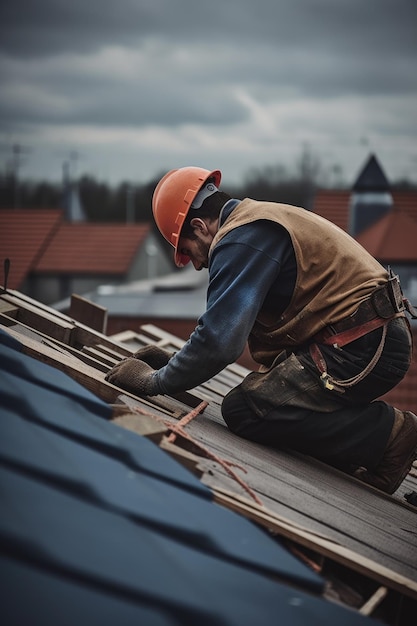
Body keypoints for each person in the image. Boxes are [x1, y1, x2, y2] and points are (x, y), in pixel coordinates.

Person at [106, 166, 417, 494]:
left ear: (198, 226)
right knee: (266, 393)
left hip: (364, 343)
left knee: (246, 409)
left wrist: (154, 381)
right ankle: (372, 455)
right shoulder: (254, 222)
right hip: (362, 339)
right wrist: (175, 360)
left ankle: (392, 435)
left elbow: (220, 343)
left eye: (187, 251)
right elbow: (226, 332)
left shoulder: (242, 237)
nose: (196, 264)